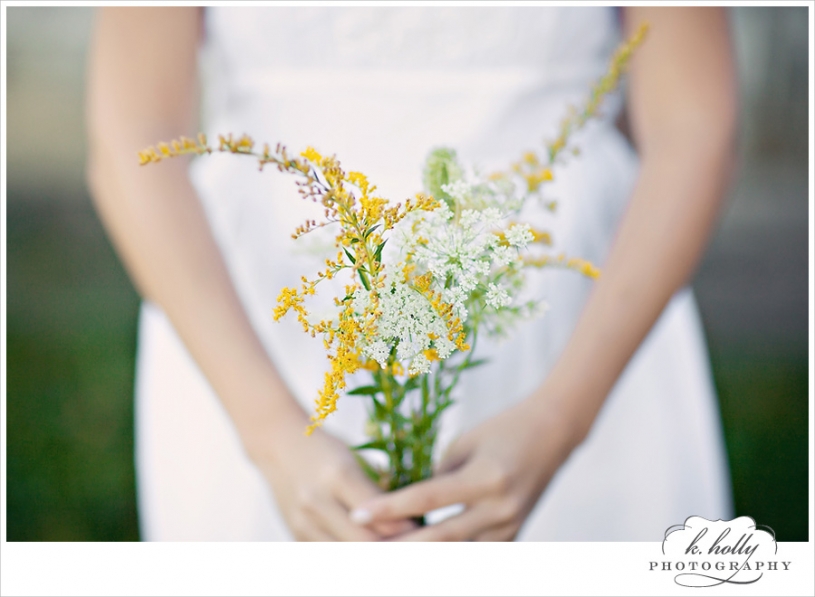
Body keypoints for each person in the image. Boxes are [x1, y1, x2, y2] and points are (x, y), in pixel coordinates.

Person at [86, 6, 737, 541]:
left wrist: (558, 420)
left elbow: (691, 123)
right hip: (255, 329)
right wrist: (272, 431)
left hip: (579, 324)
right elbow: (133, 129)